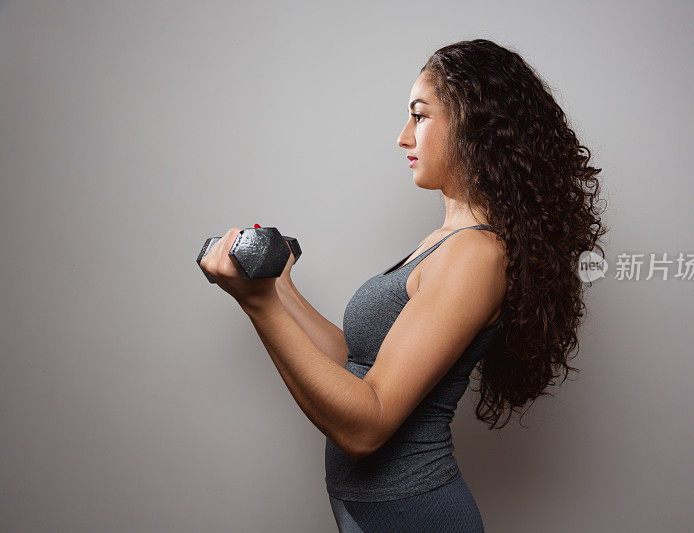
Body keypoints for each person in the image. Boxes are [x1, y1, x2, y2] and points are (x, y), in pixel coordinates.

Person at [199, 38, 607, 532]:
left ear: (474, 124)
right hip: (373, 512)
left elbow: (366, 427)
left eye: (420, 115)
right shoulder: (446, 241)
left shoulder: (475, 255)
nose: (403, 137)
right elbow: (359, 365)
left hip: (414, 514)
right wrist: (281, 289)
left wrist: (258, 307)